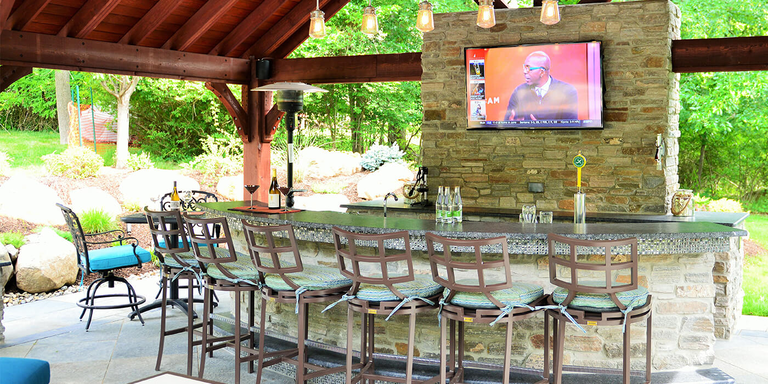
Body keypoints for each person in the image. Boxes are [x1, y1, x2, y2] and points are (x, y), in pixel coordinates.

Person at [504, 51, 578, 121]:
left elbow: (571, 128)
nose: (525, 72)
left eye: (529, 68)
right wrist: (511, 125)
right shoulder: (519, 91)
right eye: (525, 67)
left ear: (542, 72)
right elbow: (506, 123)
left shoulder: (568, 92)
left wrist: (542, 129)